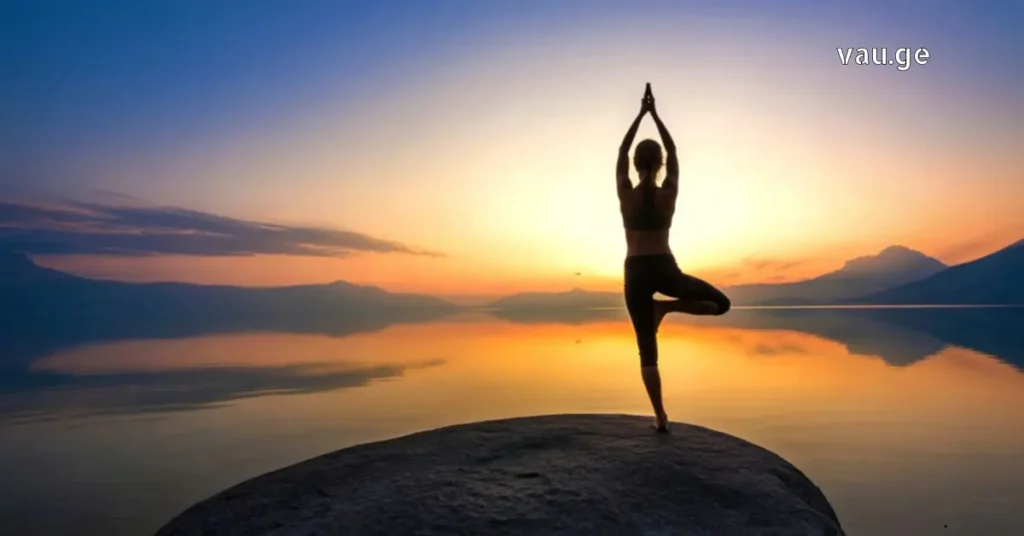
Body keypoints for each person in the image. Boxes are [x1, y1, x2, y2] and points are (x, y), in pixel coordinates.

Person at [617, 83, 731, 433]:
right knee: (721, 305)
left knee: (646, 351)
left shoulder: (625, 193)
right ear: (661, 164)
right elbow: (673, 148)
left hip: (636, 270)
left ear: (635, 164)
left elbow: (621, 150)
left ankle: (660, 417)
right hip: (665, 268)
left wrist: (641, 114)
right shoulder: (669, 192)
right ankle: (666, 308)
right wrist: (654, 114)